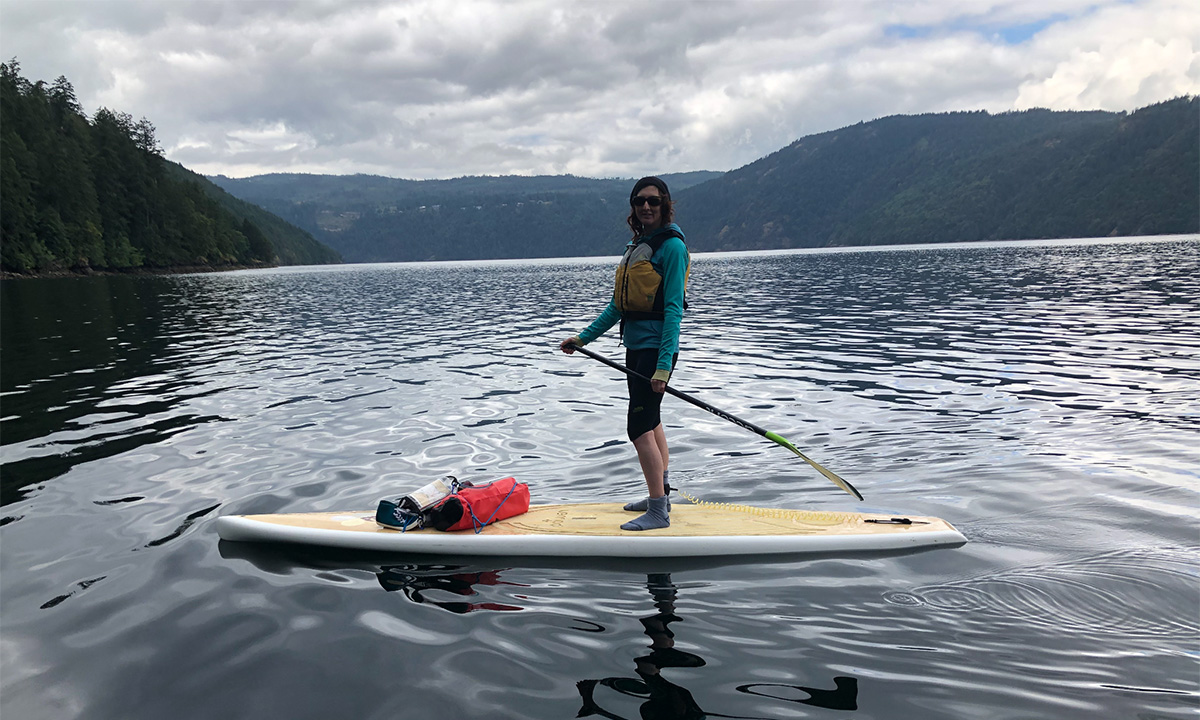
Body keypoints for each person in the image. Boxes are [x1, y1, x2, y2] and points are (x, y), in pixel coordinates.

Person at [560, 176, 690, 531]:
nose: (645, 207)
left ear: (665, 204)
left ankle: (658, 512)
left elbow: (674, 310)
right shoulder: (637, 245)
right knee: (652, 421)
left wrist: (663, 368)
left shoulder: (672, 248)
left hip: (655, 352)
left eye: (652, 200)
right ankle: (658, 493)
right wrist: (582, 339)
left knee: (638, 427)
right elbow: (617, 307)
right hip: (636, 349)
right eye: (639, 201)